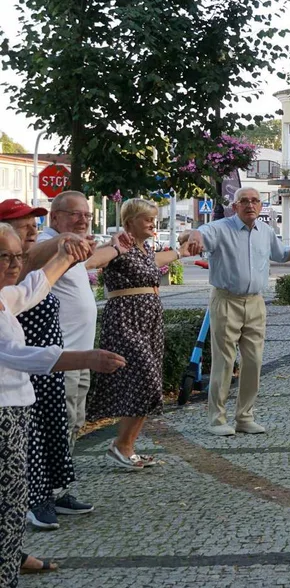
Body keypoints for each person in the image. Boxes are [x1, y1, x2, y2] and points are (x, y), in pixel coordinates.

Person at [0, 225, 124, 588]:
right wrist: (84, 357)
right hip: (3, 416)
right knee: (7, 511)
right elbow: (17, 355)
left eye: (19, 256)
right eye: (6, 256)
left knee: (12, 510)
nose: (14, 265)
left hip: (14, 413)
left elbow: (33, 287)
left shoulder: (4, 295)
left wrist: (64, 258)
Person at [185, 188, 290, 437]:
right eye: (244, 201)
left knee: (254, 361)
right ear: (234, 206)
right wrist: (194, 233)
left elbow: (283, 254)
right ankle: (217, 419)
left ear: (260, 205)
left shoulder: (265, 231)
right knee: (224, 362)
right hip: (226, 300)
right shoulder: (220, 228)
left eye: (255, 201)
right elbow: (201, 233)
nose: (250, 205)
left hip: (255, 303)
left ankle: (245, 417)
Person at [87, 199, 200, 469]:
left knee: (149, 385)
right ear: (129, 223)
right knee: (145, 378)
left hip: (149, 322)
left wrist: (181, 252)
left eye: (154, 218)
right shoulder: (120, 247)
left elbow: (154, 261)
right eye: (147, 219)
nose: (153, 223)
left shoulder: (143, 249)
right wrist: (108, 248)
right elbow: (94, 261)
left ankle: (125, 446)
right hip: (126, 320)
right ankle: (120, 445)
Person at [36, 191, 129, 515]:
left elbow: (90, 260)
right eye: (74, 214)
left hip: (81, 353)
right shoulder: (50, 245)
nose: (82, 220)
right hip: (60, 356)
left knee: (73, 423)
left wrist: (115, 248)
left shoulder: (73, 246)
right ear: (55, 217)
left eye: (86, 215)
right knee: (57, 426)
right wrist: (64, 243)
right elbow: (38, 260)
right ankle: (41, 496)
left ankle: (58, 489)